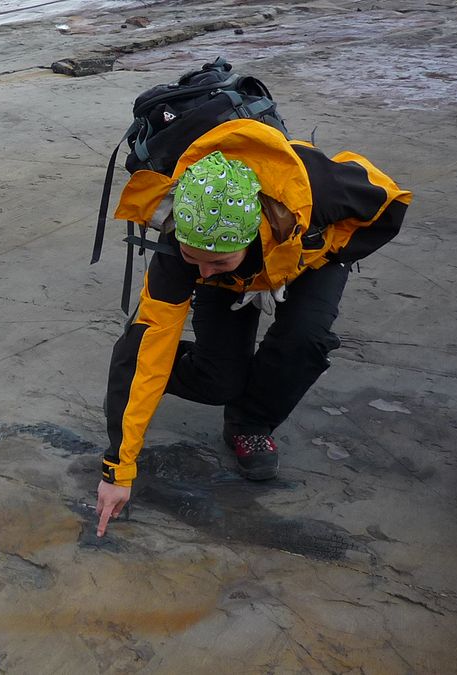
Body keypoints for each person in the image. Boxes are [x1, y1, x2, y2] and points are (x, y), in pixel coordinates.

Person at [95, 119, 411, 536]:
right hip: (241, 268)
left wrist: (331, 252)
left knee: (307, 338)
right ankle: (150, 372)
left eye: (217, 261)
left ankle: (251, 422)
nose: (203, 272)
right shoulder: (183, 251)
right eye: (194, 258)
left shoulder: (324, 190)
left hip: (306, 250)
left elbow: (390, 199)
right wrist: (119, 469)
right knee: (210, 378)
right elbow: (157, 332)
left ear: (251, 234)